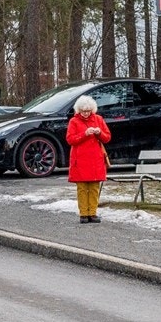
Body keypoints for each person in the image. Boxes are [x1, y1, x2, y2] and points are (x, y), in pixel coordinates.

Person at [66, 94, 110, 224]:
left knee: (94, 187)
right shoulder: (73, 121)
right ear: (78, 110)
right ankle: (83, 213)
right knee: (82, 188)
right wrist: (84, 134)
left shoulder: (99, 119)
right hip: (80, 159)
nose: (86, 114)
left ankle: (93, 213)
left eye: (88, 111)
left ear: (92, 110)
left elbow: (107, 137)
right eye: (83, 111)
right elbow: (70, 139)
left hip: (95, 159)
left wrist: (99, 133)